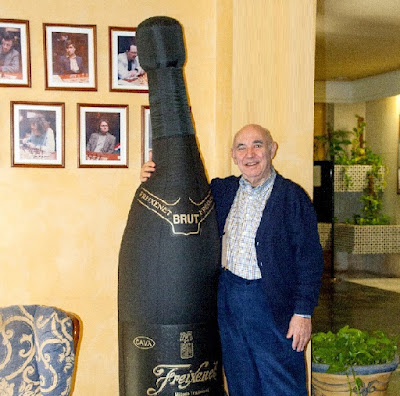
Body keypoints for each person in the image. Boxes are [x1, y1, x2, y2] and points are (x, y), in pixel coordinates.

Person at [140, 124, 323, 395]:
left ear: (272, 150)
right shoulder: (221, 191)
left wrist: (303, 313)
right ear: (233, 155)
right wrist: (153, 176)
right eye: (241, 147)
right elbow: (182, 195)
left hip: (273, 302)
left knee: (282, 381)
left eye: (258, 145)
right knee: (241, 379)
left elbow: (310, 259)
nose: (250, 153)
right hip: (229, 297)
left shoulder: (292, 197)